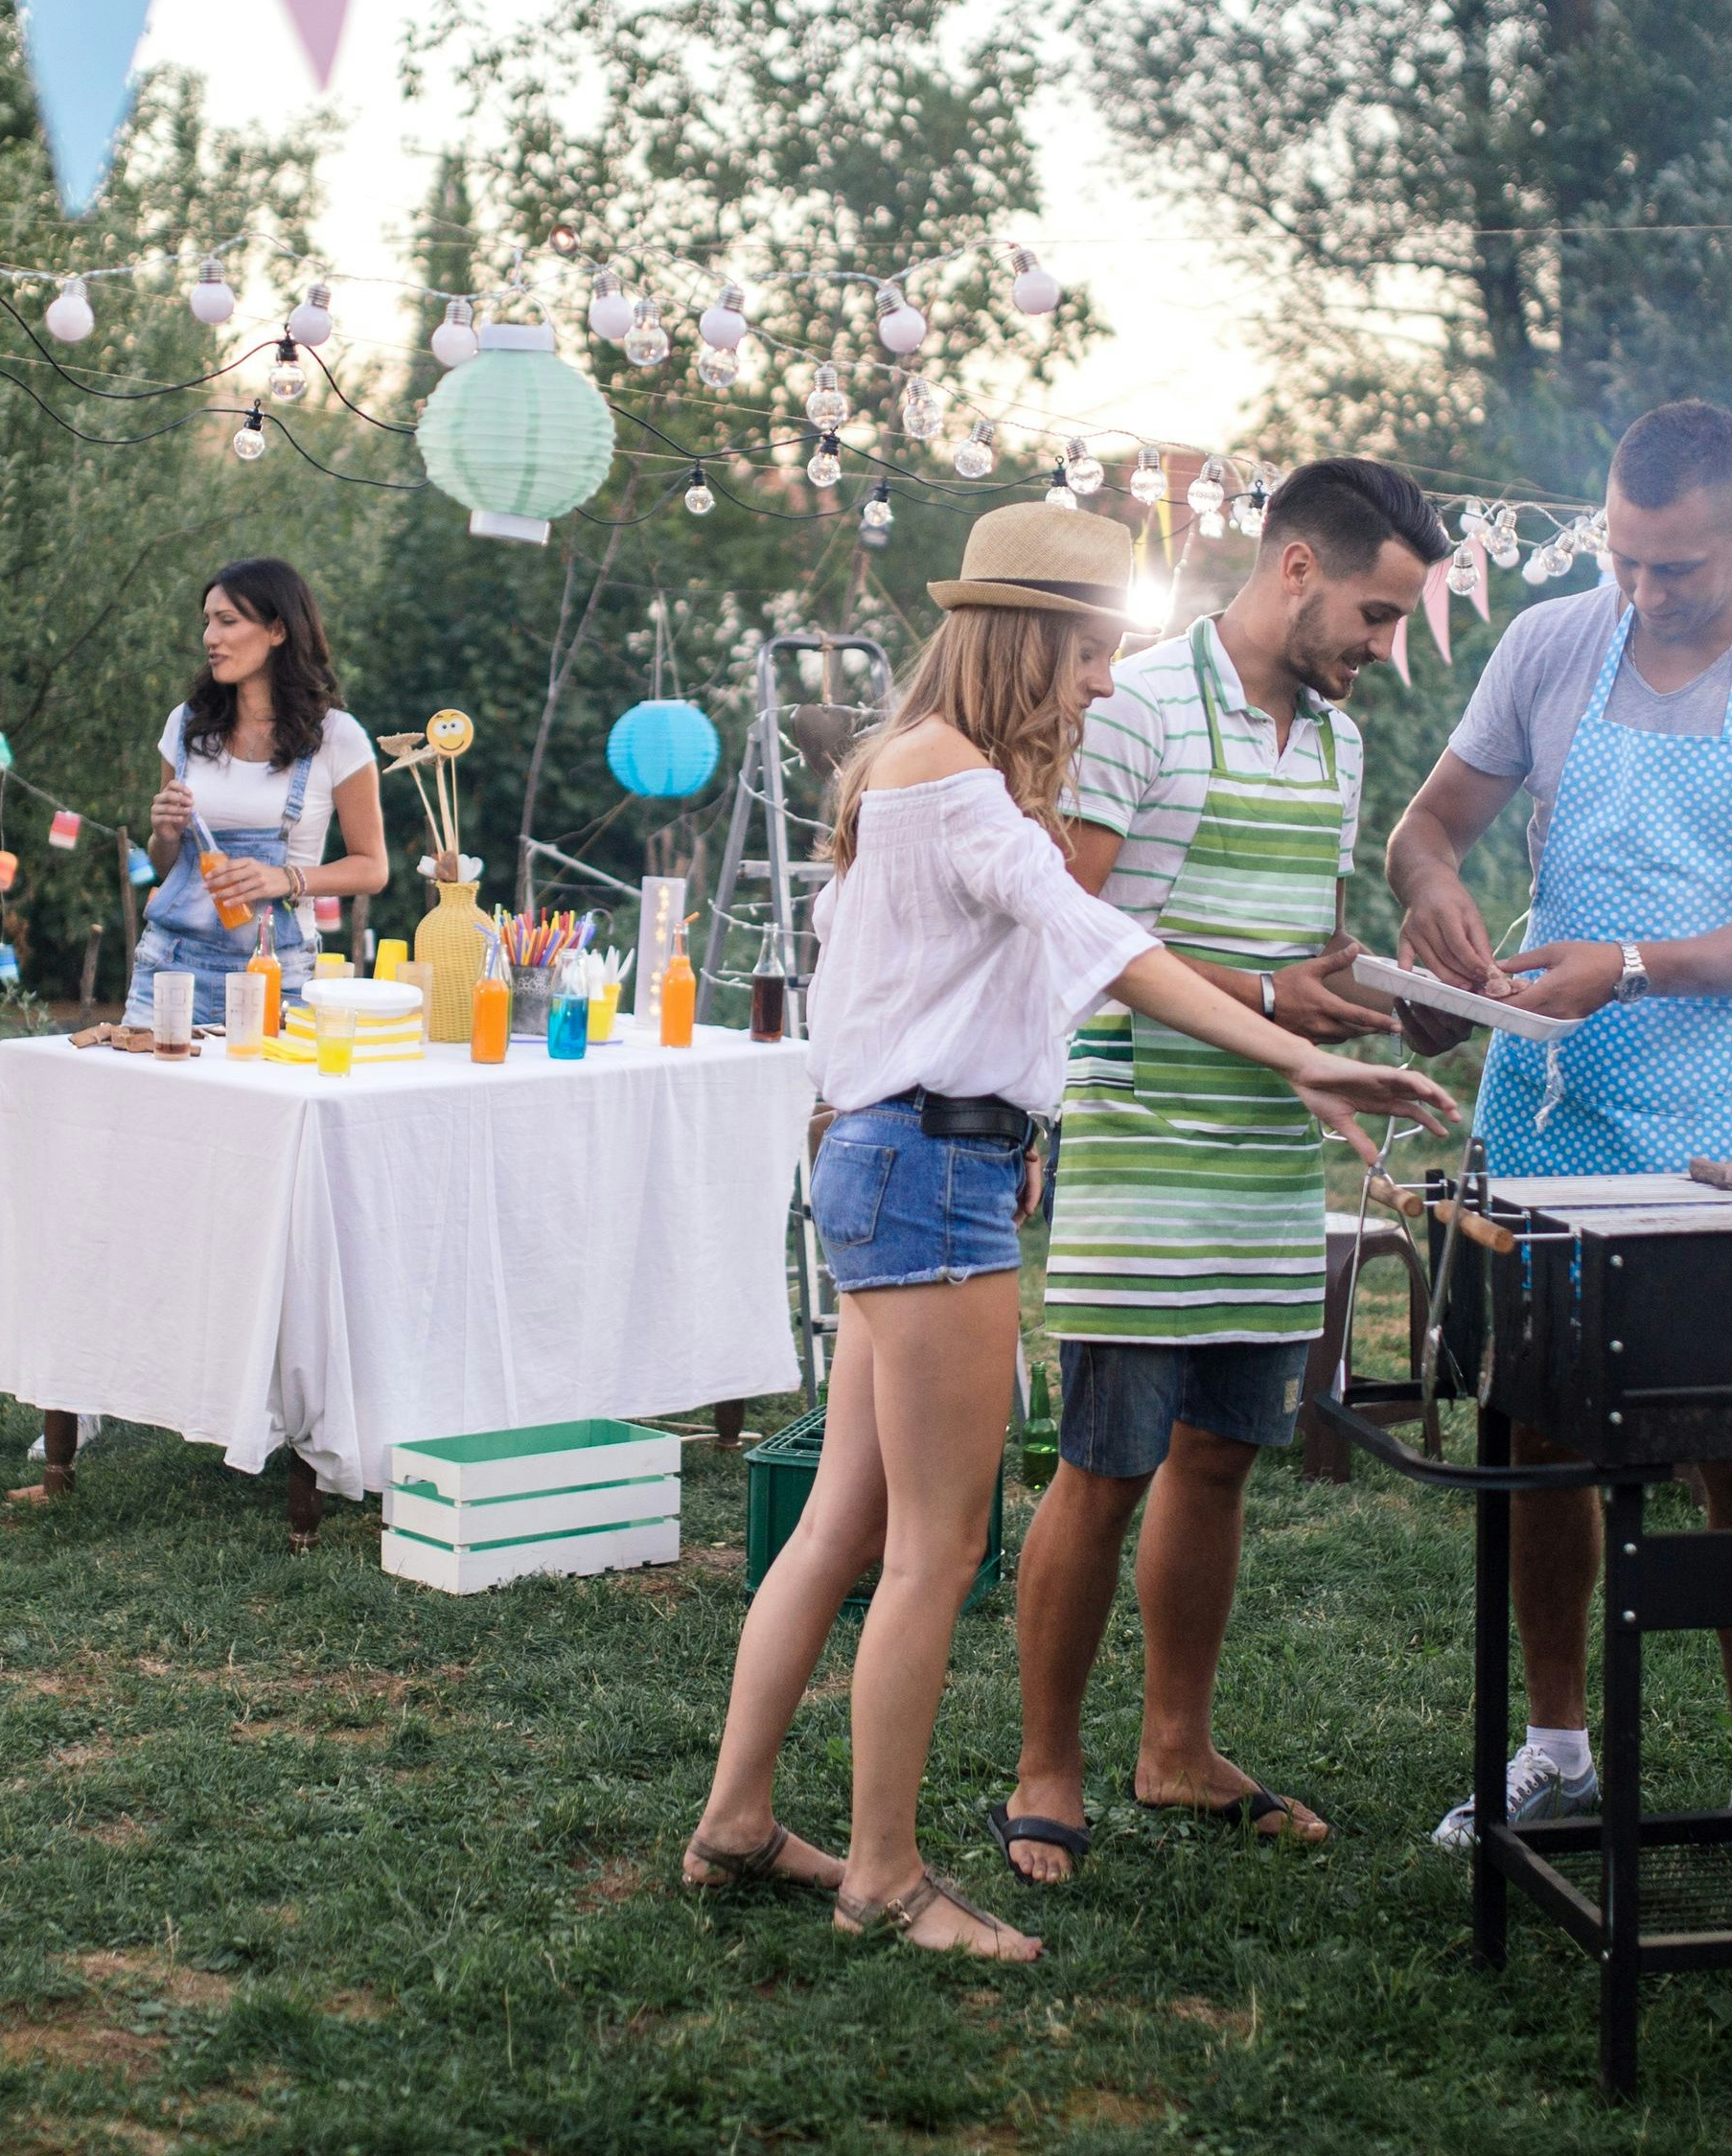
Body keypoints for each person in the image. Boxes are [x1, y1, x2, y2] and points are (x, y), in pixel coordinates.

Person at [680, 503, 1459, 1961]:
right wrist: (1302, 1050)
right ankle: (889, 1874)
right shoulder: (960, 788)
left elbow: (968, 984)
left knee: (849, 1521)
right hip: (929, 1173)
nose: (1107, 683)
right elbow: (1107, 944)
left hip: (894, 1153)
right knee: (934, 1544)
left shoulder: (908, 776)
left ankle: (736, 1817)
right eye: (1093, 652)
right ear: (1030, 635)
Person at [1381, 400, 1732, 1905]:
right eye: (1623, 558)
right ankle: (1556, 1747)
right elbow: (1432, 824)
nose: (1644, 592)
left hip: (1726, 1122)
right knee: (1538, 1432)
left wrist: (1631, 962)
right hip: (1540, 1111)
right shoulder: (1550, 642)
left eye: (1676, 568)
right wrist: (1434, 905)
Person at [988, 457, 1451, 1886]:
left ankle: (1176, 1748)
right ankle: (1046, 1766)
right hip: (1136, 1145)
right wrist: (1271, 998)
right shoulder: (1127, 705)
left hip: (1261, 1151)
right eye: (1375, 615)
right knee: (1104, 1464)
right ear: (1298, 566)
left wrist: (1360, 1024)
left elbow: (1291, 962)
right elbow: (1066, 940)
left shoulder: (1336, 744)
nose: (1384, 649)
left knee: (1223, 1463)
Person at [125, 559, 390, 1032]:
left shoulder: (337, 737)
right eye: (207, 622)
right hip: (169, 965)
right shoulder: (185, 725)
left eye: (227, 621)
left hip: (274, 973)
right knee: (149, 1104)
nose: (210, 637)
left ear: (278, 631)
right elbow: (168, 866)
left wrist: (283, 878)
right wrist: (164, 833)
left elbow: (372, 868)